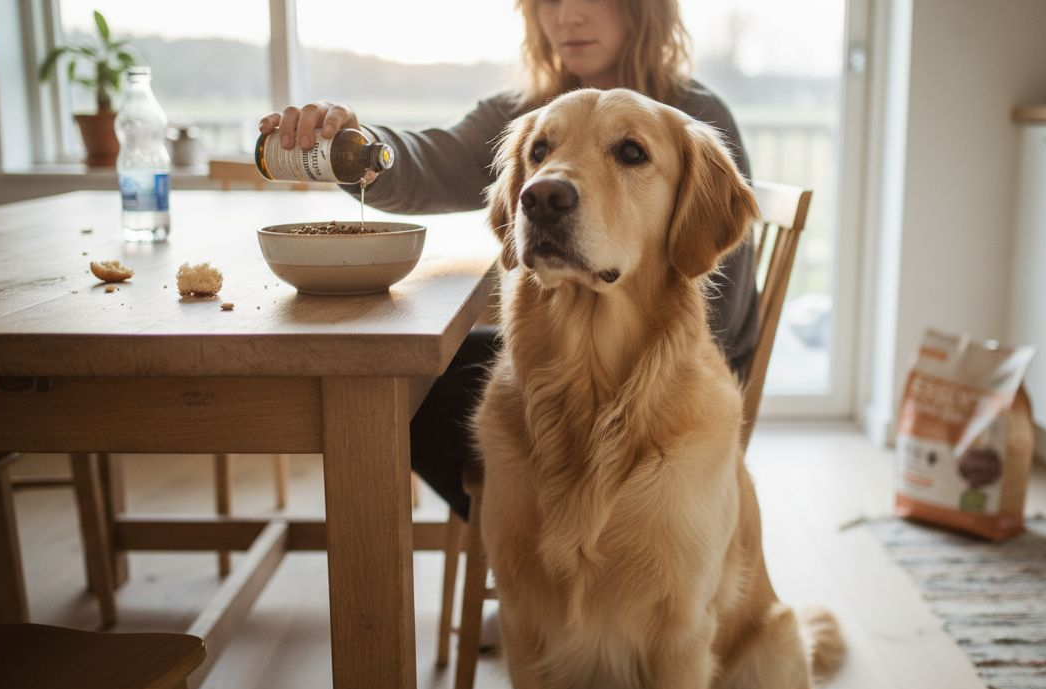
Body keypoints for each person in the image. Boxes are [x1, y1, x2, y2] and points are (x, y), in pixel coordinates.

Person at [259, 0, 759, 518]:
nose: (567, 16)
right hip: (554, 374)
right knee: (392, 381)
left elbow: (723, 325)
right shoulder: (526, 111)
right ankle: (523, 550)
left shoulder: (697, 118)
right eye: (549, 2)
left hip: (673, 396)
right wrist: (353, 145)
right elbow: (428, 160)